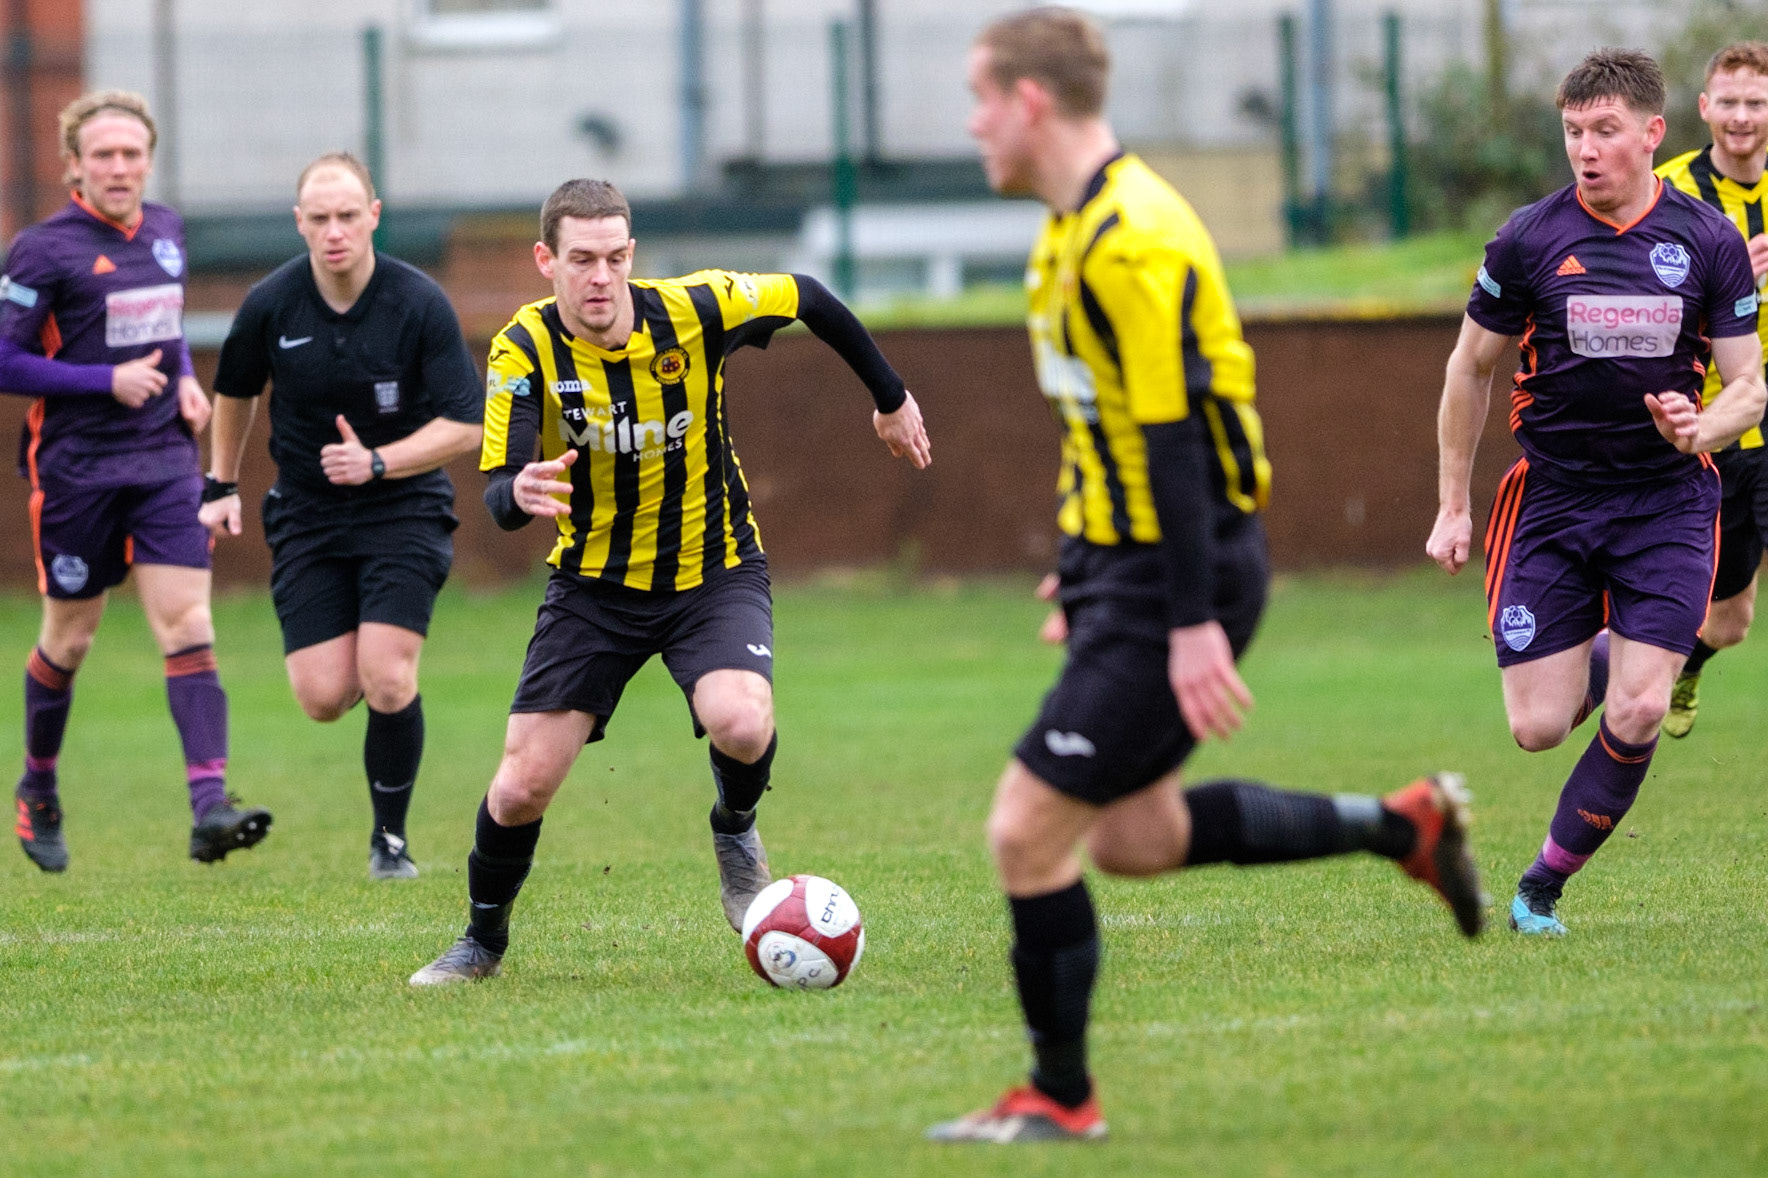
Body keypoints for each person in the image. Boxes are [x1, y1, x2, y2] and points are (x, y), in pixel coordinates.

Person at [929, 8, 1482, 1145]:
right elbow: (1109, 434)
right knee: (1129, 836)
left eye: (981, 98)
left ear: (1031, 100)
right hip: (1129, 572)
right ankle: (1402, 826)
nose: (971, 121)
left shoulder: (1132, 236)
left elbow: (1178, 443)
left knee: (1023, 831)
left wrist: (1185, 623)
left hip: (1180, 577)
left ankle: (1058, 1095)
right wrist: (1079, 571)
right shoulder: (1065, 232)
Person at [408, 178, 932, 984]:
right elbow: (500, 497)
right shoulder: (525, 347)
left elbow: (811, 296)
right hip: (592, 588)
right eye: (581, 259)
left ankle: (735, 825)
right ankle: (481, 942)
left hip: (712, 570)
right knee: (519, 790)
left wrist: (890, 399)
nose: (599, 277)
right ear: (546, 259)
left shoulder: (697, 308)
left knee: (743, 723)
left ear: (632, 256)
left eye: (615, 257)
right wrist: (518, 492)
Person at [1428, 49, 1765, 937]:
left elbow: (1749, 387)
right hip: (1553, 501)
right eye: (1574, 131)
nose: (1586, 149)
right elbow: (1468, 369)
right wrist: (1453, 506)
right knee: (1538, 727)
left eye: (1605, 131)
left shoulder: (1706, 240)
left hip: (1668, 500)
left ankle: (1540, 885)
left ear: (1652, 135)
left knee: (1643, 706)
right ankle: (1623, 650)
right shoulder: (1529, 238)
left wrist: (1704, 430)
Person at [0, 90, 270, 871]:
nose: (120, 167)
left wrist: (183, 375)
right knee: (71, 638)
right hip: (76, 469)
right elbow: (7, 358)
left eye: (132, 153)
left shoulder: (166, 229)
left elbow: (165, 323)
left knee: (187, 624)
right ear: (74, 166)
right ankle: (40, 785)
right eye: (104, 155)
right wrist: (102, 382)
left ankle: (209, 806)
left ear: (148, 159)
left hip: (161, 461)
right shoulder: (40, 251)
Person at [204, 153, 484, 879]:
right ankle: (363, 669)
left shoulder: (417, 303)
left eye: (348, 216)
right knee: (325, 697)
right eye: (320, 218)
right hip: (307, 515)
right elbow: (234, 392)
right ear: (300, 223)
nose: (335, 232)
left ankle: (389, 841)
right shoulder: (271, 303)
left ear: (374, 217)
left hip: (403, 508)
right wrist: (219, 483)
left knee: (387, 676)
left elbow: (467, 425)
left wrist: (381, 461)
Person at [1655, 43, 1768, 738]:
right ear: (1705, 108)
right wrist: (1727, 282)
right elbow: (1639, 299)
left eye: (1755, 102)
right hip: (1719, 425)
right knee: (1730, 618)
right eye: (1728, 101)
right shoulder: (1670, 192)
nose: (1742, 116)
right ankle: (1687, 663)